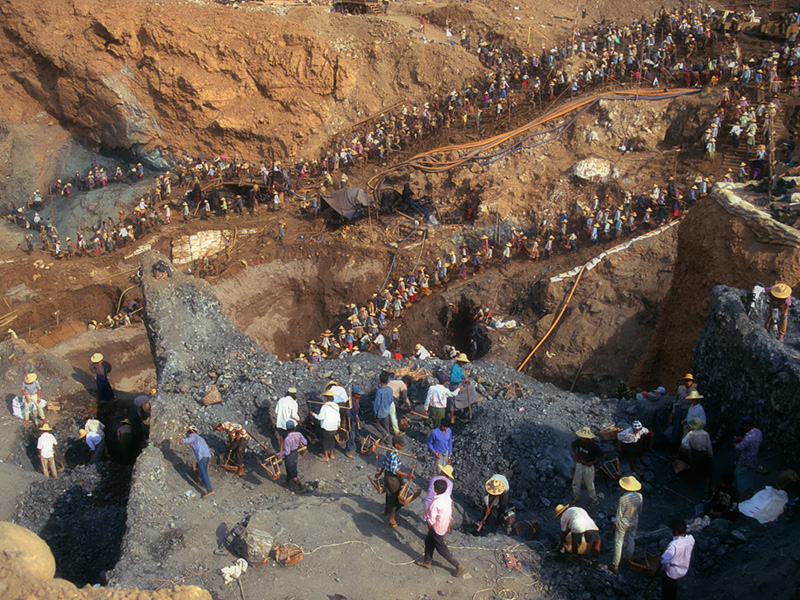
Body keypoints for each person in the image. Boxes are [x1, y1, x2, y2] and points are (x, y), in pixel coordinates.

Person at [417, 478, 465, 577]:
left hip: (436, 528)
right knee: (428, 541)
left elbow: (432, 518)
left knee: (441, 549)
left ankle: (458, 565)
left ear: (436, 490)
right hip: (443, 525)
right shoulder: (447, 497)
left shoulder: (436, 503)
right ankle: (427, 561)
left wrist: (429, 523)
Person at [374, 435, 412, 528]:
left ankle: (386, 510)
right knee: (395, 497)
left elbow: (385, 463)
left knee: (389, 493)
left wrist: (380, 473)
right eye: (401, 445)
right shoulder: (394, 454)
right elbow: (395, 470)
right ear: (396, 444)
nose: (402, 447)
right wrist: (407, 475)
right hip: (392, 478)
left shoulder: (390, 450)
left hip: (387, 475)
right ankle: (392, 518)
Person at [612, 476, 643, 571]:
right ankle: (628, 557)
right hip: (634, 522)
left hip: (623, 523)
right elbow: (639, 510)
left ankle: (615, 564)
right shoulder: (639, 496)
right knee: (631, 540)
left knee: (618, 542)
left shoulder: (623, 499)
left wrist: (615, 523)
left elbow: (619, 514)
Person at [660, 518, 695, 600]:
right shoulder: (690, 539)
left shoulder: (673, 545)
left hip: (672, 573)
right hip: (683, 569)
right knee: (673, 592)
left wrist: (667, 567)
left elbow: (664, 561)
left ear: (676, 531)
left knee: (668, 593)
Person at [571, 427, 605, 506]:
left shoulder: (593, 446)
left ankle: (594, 501)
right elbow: (572, 446)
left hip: (588, 466)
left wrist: (593, 462)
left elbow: (603, 455)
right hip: (580, 464)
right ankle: (576, 498)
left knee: (590, 485)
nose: (582, 439)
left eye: (584, 438)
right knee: (576, 482)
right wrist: (576, 456)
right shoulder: (578, 442)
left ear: (588, 438)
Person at [178, 425, 214, 498]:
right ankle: (203, 483)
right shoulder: (200, 438)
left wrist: (180, 440)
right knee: (202, 471)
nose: (188, 435)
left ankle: (210, 490)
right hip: (207, 456)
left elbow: (187, 440)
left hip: (202, 456)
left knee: (203, 472)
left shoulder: (193, 436)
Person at [680, 418, 713, 494]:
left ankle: (689, 486)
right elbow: (709, 447)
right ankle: (706, 488)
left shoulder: (690, 434)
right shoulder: (705, 434)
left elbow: (683, 443)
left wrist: (689, 449)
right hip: (704, 454)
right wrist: (711, 456)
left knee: (693, 469)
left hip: (695, 453)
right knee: (709, 470)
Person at [733, 417, 762, 498]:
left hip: (745, 459)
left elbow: (740, 447)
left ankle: (741, 493)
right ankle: (748, 491)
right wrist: (743, 439)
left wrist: (736, 445)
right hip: (753, 458)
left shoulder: (748, 438)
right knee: (749, 475)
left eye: (744, 426)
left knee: (740, 475)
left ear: (748, 426)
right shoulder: (758, 432)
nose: (743, 428)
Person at [278, 420, 307, 493]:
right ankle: (286, 483)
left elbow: (287, 452)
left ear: (287, 429)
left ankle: (301, 487)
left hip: (290, 456)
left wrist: (278, 454)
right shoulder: (299, 434)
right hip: (295, 453)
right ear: (294, 427)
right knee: (290, 470)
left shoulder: (287, 439)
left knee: (293, 474)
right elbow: (305, 442)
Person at [668, 374, 698, 444]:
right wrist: (673, 412)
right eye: (686, 381)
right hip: (679, 409)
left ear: (691, 382)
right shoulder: (680, 388)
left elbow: (694, 404)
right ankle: (674, 442)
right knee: (676, 426)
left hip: (688, 411)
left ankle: (683, 443)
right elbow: (675, 400)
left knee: (685, 428)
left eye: (689, 381)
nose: (687, 382)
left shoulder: (694, 391)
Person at [313, 391, 341, 461]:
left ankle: (326, 457)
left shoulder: (325, 406)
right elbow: (338, 416)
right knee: (332, 440)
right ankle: (331, 455)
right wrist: (338, 424)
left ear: (326, 398)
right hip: (334, 427)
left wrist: (313, 414)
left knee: (325, 441)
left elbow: (320, 417)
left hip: (327, 427)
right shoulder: (336, 405)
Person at [275, 387, 300, 453]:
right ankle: (290, 450)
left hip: (282, 423)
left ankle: (281, 449)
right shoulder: (293, 403)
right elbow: (294, 415)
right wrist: (298, 419)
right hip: (290, 424)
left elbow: (276, 411)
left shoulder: (281, 400)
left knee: (282, 436)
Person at [373, 372, 394, 441]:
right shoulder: (390, 389)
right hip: (387, 410)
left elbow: (377, 403)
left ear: (380, 381)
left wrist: (375, 412)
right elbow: (391, 399)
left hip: (380, 411)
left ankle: (385, 434)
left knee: (375, 423)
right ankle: (388, 441)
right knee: (386, 425)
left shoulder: (379, 391)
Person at [344, 385, 362, 458]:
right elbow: (347, 413)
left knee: (357, 430)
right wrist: (354, 418)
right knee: (352, 434)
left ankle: (357, 439)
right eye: (359, 394)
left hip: (355, 418)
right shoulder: (349, 402)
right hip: (351, 421)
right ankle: (347, 450)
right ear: (355, 394)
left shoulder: (356, 400)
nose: (360, 395)